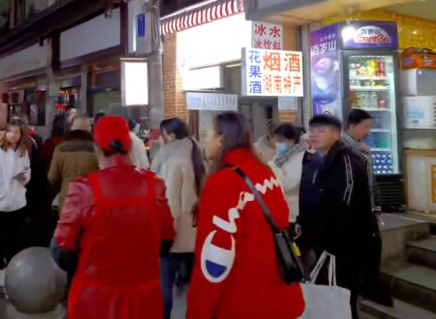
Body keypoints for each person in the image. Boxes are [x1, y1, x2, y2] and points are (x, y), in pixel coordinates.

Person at [52, 115, 176, 319]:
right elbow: (166, 241)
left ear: (97, 148)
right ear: (129, 147)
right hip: (143, 300)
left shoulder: (83, 188)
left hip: (94, 301)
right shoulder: (154, 184)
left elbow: (63, 248)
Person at [187, 112, 305, 319]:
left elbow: (214, 260)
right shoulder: (265, 172)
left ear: (222, 139)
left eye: (207, 134)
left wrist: (198, 312)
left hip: (242, 302)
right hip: (279, 296)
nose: (204, 140)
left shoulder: (223, 182)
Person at [305, 114, 385, 315]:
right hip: (328, 244)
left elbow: (346, 207)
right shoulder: (320, 160)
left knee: (344, 296)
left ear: (335, 134)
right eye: (312, 130)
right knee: (334, 296)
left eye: (321, 131)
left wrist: (327, 241)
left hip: (344, 247)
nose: (315, 135)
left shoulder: (348, 160)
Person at [155, 118, 207, 319]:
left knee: (164, 286)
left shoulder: (173, 162)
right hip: (196, 235)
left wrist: (163, 235)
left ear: (170, 136)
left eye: (161, 135)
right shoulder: (198, 156)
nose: (159, 140)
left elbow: (171, 206)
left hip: (175, 237)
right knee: (196, 288)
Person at [0, 119, 32, 288]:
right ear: (5, 133)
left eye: (16, 132)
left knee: (15, 237)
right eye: (10, 131)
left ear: (21, 135)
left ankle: (12, 265)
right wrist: (3, 192)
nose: (12, 135)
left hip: (17, 202)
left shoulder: (22, 151)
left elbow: (27, 169)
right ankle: (0, 266)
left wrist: (23, 177)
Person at [26, 113, 67, 247]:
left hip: (47, 187)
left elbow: (39, 162)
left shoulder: (50, 142)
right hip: (57, 187)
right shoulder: (63, 144)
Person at [48, 114, 99, 216]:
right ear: (89, 129)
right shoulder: (98, 149)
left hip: (67, 200)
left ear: (72, 128)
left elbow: (52, 177)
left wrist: (62, 187)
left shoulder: (61, 148)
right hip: (91, 201)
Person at [268, 123, 307, 228]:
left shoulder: (301, 157)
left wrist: (273, 167)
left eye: (281, 140)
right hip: (282, 211)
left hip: (294, 213)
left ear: (292, 140)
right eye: (275, 140)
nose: (277, 143)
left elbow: (288, 184)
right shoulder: (279, 157)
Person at [344, 109, 382, 216]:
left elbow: (371, 182)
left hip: (364, 210)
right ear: (352, 126)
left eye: (369, 127)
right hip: (350, 212)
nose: (368, 132)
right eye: (365, 127)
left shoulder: (362, 149)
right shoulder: (340, 148)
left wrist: (376, 208)